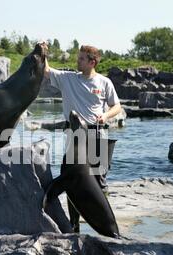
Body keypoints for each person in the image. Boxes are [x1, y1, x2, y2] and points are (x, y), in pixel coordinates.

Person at [42, 42, 122, 231]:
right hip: (75, 134)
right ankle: (74, 225)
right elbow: (45, 70)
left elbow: (117, 106)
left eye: (81, 59)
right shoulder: (68, 78)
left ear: (92, 62)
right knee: (72, 178)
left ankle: (107, 225)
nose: (77, 61)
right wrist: (43, 51)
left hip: (98, 134)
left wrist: (106, 115)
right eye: (78, 58)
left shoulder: (104, 82)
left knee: (100, 180)